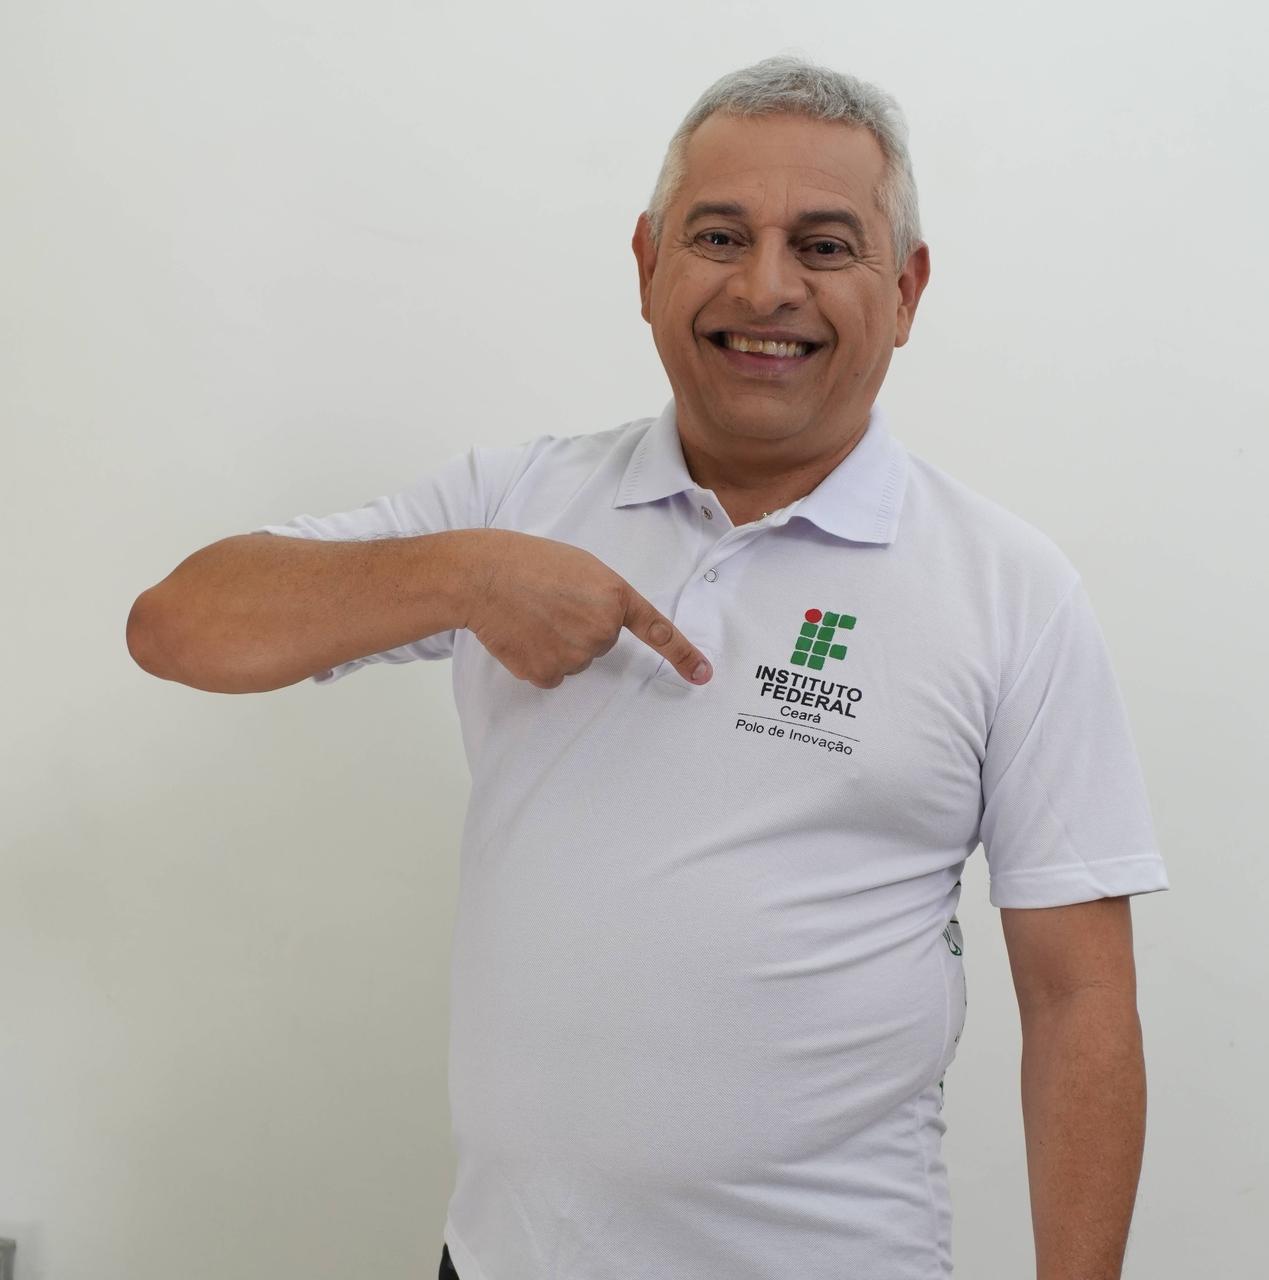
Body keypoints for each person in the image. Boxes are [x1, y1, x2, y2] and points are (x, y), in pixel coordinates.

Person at [127, 54, 1170, 1280]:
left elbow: (1079, 1004)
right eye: (719, 235)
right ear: (646, 264)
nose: (766, 286)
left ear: (905, 288)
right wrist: (463, 575)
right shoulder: (519, 502)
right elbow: (179, 625)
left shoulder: (1010, 589)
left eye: (825, 246)